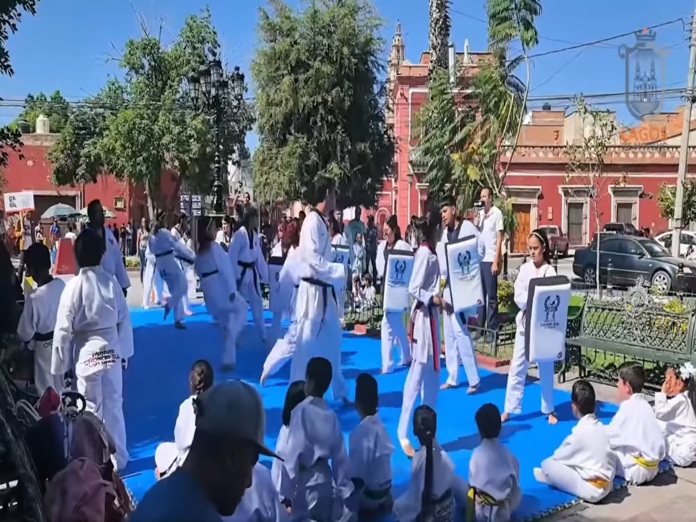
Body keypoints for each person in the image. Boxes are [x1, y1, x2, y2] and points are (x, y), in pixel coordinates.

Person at [129, 381, 281, 522]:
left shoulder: (160, 496)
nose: (249, 482)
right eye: (250, 463)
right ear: (230, 455)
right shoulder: (195, 516)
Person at [51, 228, 134, 471]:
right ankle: (120, 459)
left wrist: (60, 367)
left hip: (87, 356)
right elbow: (124, 320)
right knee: (114, 406)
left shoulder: (74, 286)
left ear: (77, 256)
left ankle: (92, 461)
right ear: (102, 254)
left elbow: (63, 329)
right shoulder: (111, 283)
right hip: (111, 351)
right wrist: (125, 354)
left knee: (89, 409)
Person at [290, 187, 349, 403]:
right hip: (312, 291)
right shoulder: (312, 222)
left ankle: (339, 390)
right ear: (326, 194)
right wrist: (336, 271)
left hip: (324, 290)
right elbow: (311, 258)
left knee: (334, 339)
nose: (335, 198)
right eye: (333, 194)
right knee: (305, 343)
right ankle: (296, 392)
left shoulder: (321, 220)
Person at [280, 357, 353, 521]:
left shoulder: (300, 411)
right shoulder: (331, 415)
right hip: (325, 482)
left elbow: (291, 454)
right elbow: (340, 457)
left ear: (310, 381)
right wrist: (343, 489)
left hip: (305, 485)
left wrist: (286, 492)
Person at [397, 213, 442, 457]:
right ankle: (403, 431)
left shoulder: (434, 252)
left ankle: (430, 431)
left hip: (432, 318)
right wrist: (431, 298)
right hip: (423, 318)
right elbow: (413, 287)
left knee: (433, 377)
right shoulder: (424, 253)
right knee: (416, 376)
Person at [502, 228, 558, 425]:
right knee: (517, 366)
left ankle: (549, 408)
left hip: (543, 327)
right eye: (530, 248)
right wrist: (532, 299)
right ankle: (509, 408)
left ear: (543, 247)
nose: (532, 252)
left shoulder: (549, 271)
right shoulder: (525, 269)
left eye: (535, 248)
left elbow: (553, 296)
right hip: (525, 324)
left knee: (545, 367)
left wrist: (539, 300)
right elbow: (518, 295)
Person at [534, 380, 614, 504]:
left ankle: (552, 479)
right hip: (608, 484)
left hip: (593, 490)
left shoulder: (579, 433)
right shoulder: (602, 427)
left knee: (547, 465)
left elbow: (559, 456)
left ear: (573, 407)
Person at [393, 405, 468, 521]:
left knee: (398, 506)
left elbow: (415, 501)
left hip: (429, 516)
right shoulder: (445, 458)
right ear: (435, 429)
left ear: (414, 432)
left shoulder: (418, 462)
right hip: (449, 514)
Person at [438, 197, 481, 393]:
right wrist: (440, 291)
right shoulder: (444, 235)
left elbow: (480, 250)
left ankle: (474, 379)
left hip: (464, 288)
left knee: (461, 332)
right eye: (441, 213)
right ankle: (452, 376)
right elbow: (442, 267)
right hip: (448, 288)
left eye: (445, 211)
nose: (443, 215)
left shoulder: (469, 229)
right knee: (449, 334)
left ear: (454, 210)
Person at [195, 217, 246, 371]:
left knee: (227, 321)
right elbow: (226, 269)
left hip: (210, 295)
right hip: (221, 290)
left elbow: (198, 271)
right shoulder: (214, 248)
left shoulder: (200, 252)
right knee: (241, 308)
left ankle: (228, 358)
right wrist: (232, 290)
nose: (215, 229)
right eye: (213, 227)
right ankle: (232, 337)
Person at [17, 243, 66, 396]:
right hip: (62, 342)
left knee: (46, 392)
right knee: (60, 385)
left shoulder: (33, 299)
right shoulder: (61, 285)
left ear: (30, 270)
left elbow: (24, 333)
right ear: (49, 263)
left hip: (43, 350)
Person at [606, 361, 666, 485]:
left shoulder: (627, 407)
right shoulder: (646, 405)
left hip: (637, 471)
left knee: (600, 451)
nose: (617, 385)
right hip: (653, 468)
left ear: (627, 386)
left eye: (619, 382)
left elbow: (611, 437)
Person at [154, 360, 215, 477]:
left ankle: (166, 475)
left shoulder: (186, 406)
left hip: (189, 464)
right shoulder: (219, 404)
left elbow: (180, 443)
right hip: (214, 462)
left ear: (191, 383)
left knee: (161, 450)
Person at [349, 373, 394, 517]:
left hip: (369, 498)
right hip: (385, 491)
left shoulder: (358, 435)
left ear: (356, 404)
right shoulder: (382, 428)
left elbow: (356, 479)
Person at [468, 403, 521, 521]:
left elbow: (472, 483)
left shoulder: (476, 454)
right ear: (500, 428)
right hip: (503, 513)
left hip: (481, 513)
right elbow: (515, 481)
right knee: (518, 493)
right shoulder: (508, 455)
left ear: (479, 430)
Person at [377, 215, 412, 374]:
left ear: (394, 231)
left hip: (399, 291)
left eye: (387, 231)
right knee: (396, 324)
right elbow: (380, 268)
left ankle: (387, 364)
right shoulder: (382, 247)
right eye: (383, 231)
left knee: (387, 325)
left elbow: (410, 265)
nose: (385, 234)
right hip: (387, 289)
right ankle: (407, 355)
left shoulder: (403, 246)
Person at [228, 206, 268, 344]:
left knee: (257, 303)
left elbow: (259, 258)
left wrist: (265, 276)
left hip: (252, 273)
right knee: (240, 306)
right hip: (241, 273)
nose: (257, 220)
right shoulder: (240, 234)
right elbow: (232, 255)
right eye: (255, 217)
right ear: (249, 218)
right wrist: (235, 276)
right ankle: (234, 336)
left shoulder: (255, 235)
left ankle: (263, 334)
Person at [151, 211, 195, 329]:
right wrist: (191, 256)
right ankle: (170, 304)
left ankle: (178, 319)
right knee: (183, 285)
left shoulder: (152, 236)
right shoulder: (165, 233)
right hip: (169, 262)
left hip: (161, 265)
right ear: (162, 220)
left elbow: (152, 251)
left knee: (176, 289)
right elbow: (177, 246)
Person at [85, 200, 130, 296]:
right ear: (91, 215)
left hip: (110, 284)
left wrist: (123, 284)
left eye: (102, 212)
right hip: (92, 285)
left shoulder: (109, 233)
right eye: (99, 212)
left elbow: (117, 258)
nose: (102, 215)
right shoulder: (85, 237)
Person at [654, 364, 696, 467]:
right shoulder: (684, 399)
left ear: (680, 384)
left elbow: (660, 413)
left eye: (669, 379)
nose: (666, 383)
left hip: (683, 453)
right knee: (660, 426)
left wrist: (663, 392)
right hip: (686, 449)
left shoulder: (681, 400)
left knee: (655, 439)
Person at [474, 187, 503, 333]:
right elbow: (476, 234)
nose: (482, 199)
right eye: (481, 196)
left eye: (485, 196)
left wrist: (496, 260)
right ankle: (480, 328)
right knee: (480, 296)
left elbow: (499, 239)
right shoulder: (479, 215)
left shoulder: (497, 214)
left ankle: (492, 329)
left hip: (490, 258)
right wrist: (476, 220)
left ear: (490, 198)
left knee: (491, 297)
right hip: (480, 259)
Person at [272, 381, 307, 496]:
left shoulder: (289, 429)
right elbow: (283, 477)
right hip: (289, 500)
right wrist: (286, 500)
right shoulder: (288, 439)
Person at [171, 213, 194, 316]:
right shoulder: (174, 232)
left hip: (180, 260)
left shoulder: (181, 232)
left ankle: (183, 307)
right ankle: (182, 307)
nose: (186, 223)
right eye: (185, 221)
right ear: (181, 221)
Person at [364, 215, 379, 282]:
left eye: (369, 221)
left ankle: (374, 280)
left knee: (374, 265)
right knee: (366, 266)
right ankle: (366, 280)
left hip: (372, 249)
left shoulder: (374, 230)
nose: (367, 223)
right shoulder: (367, 229)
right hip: (367, 249)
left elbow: (371, 238)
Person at [137, 217, 150, 282]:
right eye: (143, 221)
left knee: (147, 264)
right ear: (141, 223)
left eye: (145, 221)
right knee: (142, 264)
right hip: (142, 248)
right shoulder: (140, 231)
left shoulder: (148, 230)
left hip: (147, 249)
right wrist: (137, 251)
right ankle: (141, 279)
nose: (144, 223)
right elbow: (138, 240)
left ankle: (147, 278)